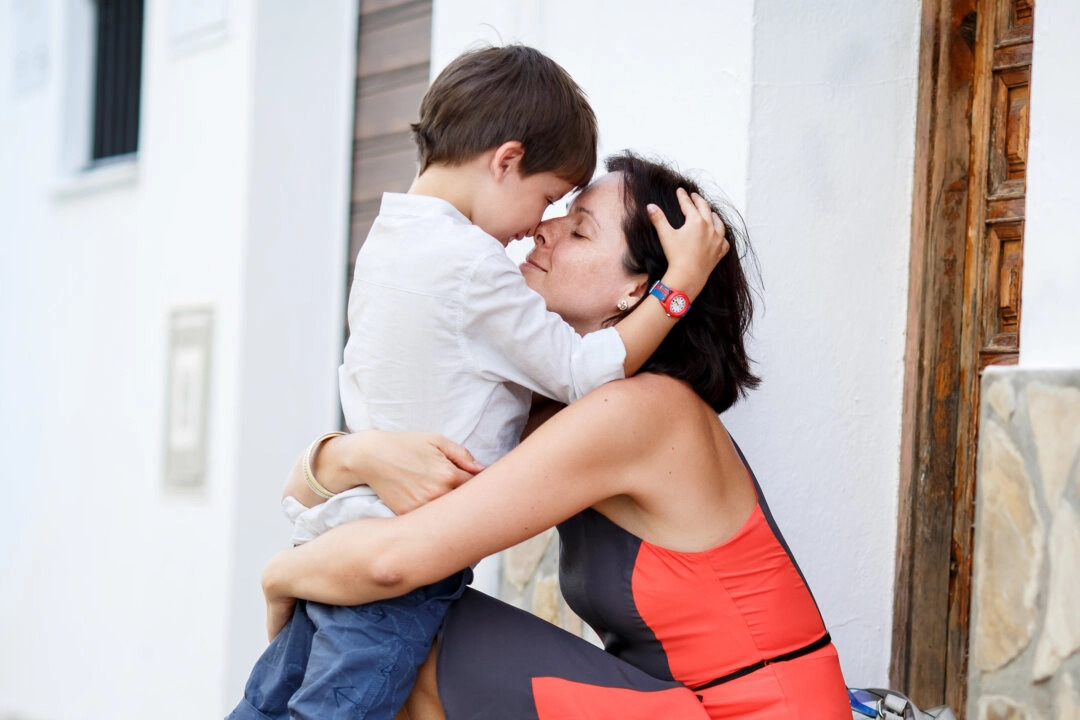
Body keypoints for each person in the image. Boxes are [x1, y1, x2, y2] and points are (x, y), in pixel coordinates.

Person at [227, 46, 728, 720]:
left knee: (264, 708)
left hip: (339, 540)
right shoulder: (473, 266)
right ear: (505, 160)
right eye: (549, 199)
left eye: (572, 223)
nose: (536, 229)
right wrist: (679, 290)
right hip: (392, 570)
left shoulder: (388, 242)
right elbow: (588, 371)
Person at [261, 153, 854, 719]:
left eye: (579, 229)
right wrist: (360, 452)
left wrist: (280, 578)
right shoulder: (555, 405)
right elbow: (316, 500)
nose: (543, 229)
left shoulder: (639, 414)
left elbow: (393, 561)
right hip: (676, 706)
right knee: (380, 615)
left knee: (405, 623)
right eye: (556, 211)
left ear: (637, 290)